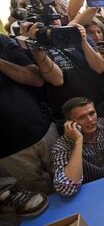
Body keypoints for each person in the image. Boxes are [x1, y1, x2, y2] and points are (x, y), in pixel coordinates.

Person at [0, 34, 59, 194]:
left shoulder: (3, 41)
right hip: (10, 152)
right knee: (39, 200)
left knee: (69, 181)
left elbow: (36, 78)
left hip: (43, 131)